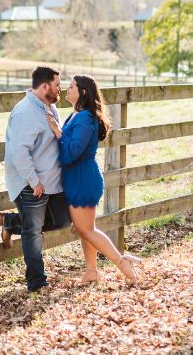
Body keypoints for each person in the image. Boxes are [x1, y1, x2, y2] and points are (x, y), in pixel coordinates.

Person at [46, 74, 141, 284]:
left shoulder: (86, 118)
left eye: (71, 87)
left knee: (86, 229)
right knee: (85, 228)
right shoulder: (76, 115)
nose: (66, 90)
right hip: (76, 178)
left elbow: (71, 152)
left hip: (83, 179)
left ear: (83, 92)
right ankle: (91, 271)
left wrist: (57, 132)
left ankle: (122, 262)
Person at [0, 66, 72, 292]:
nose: (61, 88)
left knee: (62, 220)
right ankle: (37, 283)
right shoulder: (26, 112)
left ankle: (10, 222)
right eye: (58, 85)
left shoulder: (49, 106)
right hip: (32, 183)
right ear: (45, 86)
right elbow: (19, 152)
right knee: (33, 232)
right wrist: (33, 180)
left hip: (52, 181)